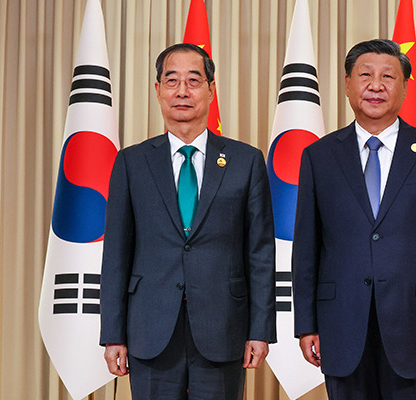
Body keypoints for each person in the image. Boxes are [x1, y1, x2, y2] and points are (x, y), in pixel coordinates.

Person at [292, 39, 416, 400]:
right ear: (347, 83)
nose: (375, 85)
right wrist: (306, 324)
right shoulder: (319, 157)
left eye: (388, 76)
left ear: (405, 87)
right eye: (365, 75)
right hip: (342, 326)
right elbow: (306, 248)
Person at [99, 43, 276, 400]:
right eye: (172, 80)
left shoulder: (246, 160)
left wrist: (260, 330)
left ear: (211, 89)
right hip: (150, 329)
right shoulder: (132, 163)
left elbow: (260, 252)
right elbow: (116, 254)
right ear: (158, 90)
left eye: (194, 80)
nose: (182, 91)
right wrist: (113, 334)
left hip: (223, 326)